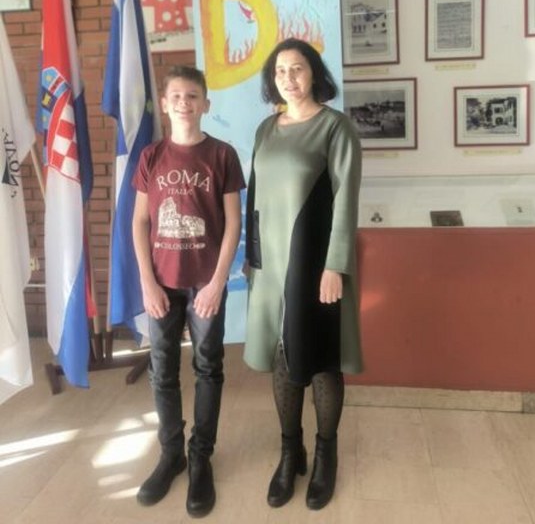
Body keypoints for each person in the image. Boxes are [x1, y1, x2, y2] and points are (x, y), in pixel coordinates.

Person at [243, 38, 363, 511]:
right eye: (280, 71)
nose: (288, 79)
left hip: (315, 263)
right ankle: (290, 452)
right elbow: (255, 199)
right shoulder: (265, 128)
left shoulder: (336, 128)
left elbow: (346, 200)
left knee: (320, 357)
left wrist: (336, 265)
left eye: (297, 69)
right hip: (271, 265)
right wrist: (252, 257)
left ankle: (326, 454)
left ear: (314, 73)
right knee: (282, 353)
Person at [132, 65, 245, 517]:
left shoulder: (222, 155)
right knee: (162, 371)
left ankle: (201, 457)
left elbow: (233, 222)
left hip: (205, 283)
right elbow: (140, 221)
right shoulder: (151, 156)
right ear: (164, 104)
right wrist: (146, 282)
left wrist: (217, 282)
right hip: (162, 283)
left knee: (208, 367)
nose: (184, 102)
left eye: (193, 95)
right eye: (176, 96)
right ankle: (171, 454)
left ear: (205, 104)